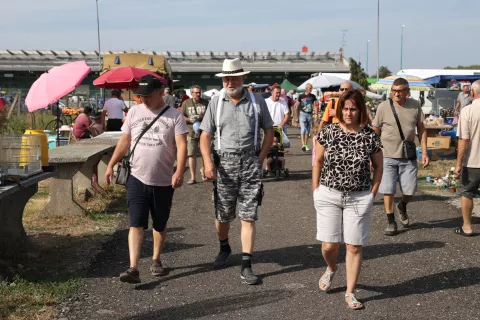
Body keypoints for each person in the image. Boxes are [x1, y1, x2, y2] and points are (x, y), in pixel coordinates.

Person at [104, 75, 188, 284]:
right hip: (136, 176)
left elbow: (182, 145)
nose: (143, 100)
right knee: (136, 222)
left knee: (159, 223)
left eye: (147, 96)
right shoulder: (133, 111)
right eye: (140, 96)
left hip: (163, 180)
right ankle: (133, 267)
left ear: (161, 93)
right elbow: (125, 140)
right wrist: (111, 164)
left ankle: (156, 259)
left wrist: (179, 171)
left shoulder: (175, 116)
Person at [200, 58, 274, 285]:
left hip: (250, 161)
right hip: (224, 164)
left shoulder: (257, 100)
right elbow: (205, 135)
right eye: (226, 78)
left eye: (233, 77)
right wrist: (208, 163)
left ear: (243, 78)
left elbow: (269, 131)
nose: (229, 82)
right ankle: (224, 247)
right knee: (223, 215)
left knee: (248, 215)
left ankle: (246, 264)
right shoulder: (216, 102)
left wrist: (260, 158)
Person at [312, 89, 383, 310]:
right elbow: (318, 162)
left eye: (353, 108)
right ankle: (331, 268)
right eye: (345, 108)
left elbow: (379, 167)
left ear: (360, 109)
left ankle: (350, 292)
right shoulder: (329, 131)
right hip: (329, 194)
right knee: (329, 245)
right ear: (339, 109)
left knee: (353, 247)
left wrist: (372, 194)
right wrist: (315, 190)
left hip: (359, 197)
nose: (349, 112)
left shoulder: (370, 135)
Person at [372, 78, 429, 236]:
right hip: (387, 155)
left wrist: (424, 152)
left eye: (400, 91)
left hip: (408, 155)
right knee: (388, 190)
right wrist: (373, 153)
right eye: (394, 90)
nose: (397, 93)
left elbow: (422, 130)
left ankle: (402, 205)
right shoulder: (383, 106)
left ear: (407, 91)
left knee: (410, 190)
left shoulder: (415, 105)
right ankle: (391, 221)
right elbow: (375, 130)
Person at [453, 80, 480, 236]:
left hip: (473, 161)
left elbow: (464, 140)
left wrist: (458, 164)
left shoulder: (467, 110)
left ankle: (467, 227)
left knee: (467, 192)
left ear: (472, 93)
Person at [180, 85, 209, 184]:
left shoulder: (206, 102)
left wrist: (201, 118)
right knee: (191, 154)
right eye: (196, 93)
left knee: (205, 153)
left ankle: (203, 171)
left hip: (204, 132)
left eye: (199, 92)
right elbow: (181, 116)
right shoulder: (186, 103)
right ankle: (192, 177)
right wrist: (189, 119)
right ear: (191, 93)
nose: (198, 94)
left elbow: (210, 116)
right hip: (191, 132)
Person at [295, 83, 317, 151]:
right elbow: (297, 106)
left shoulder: (313, 96)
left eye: (311, 88)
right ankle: (303, 145)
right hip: (302, 114)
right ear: (306, 88)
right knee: (303, 129)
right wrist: (296, 116)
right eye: (310, 88)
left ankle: (306, 144)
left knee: (307, 131)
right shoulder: (301, 96)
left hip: (309, 114)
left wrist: (316, 114)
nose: (311, 89)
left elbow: (315, 105)